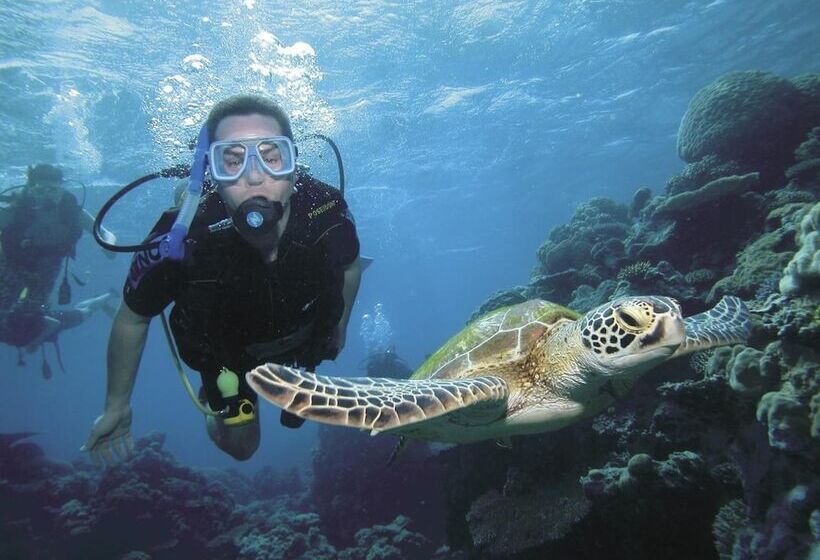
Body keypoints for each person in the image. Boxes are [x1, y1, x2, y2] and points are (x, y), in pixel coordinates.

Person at [83, 94, 362, 463]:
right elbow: (133, 315)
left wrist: (339, 328)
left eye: (272, 155)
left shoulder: (326, 210)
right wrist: (116, 405)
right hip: (226, 353)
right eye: (231, 161)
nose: (254, 175)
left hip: (301, 337)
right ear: (209, 173)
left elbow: (350, 266)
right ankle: (217, 402)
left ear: (294, 165)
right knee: (243, 448)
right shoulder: (179, 238)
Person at [0, 164, 117, 369]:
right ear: (30, 190)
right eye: (39, 191)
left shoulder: (71, 213)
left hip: (47, 269)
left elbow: (104, 232)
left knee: (32, 315)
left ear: (62, 189)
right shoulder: (15, 212)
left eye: (53, 190)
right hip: (10, 265)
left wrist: (109, 245)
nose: (47, 197)